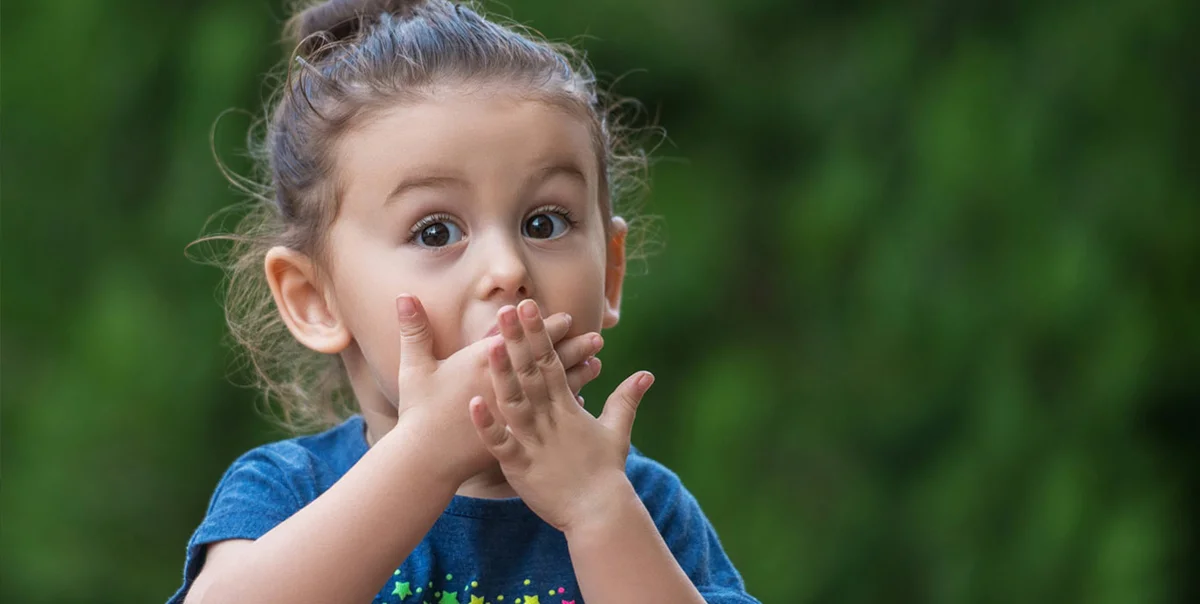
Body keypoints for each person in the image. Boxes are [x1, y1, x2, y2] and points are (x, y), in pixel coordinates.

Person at [169, 1, 758, 602]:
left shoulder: (643, 508)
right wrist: (427, 455)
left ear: (609, 272)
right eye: (435, 232)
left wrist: (595, 511)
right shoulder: (290, 492)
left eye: (546, 222)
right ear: (315, 299)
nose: (507, 269)